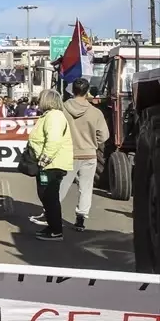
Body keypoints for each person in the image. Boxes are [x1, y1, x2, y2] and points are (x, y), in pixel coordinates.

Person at [38, 78, 107, 232]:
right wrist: (92, 141)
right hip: (89, 154)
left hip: (67, 153)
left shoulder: (62, 109)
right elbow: (104, 136)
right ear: (87, 91)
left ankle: (49, 213)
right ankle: (81, 218)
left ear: (72, 90)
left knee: (60, 186)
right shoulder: (96, 112)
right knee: (86, 187)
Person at [27, 89, 74, 240]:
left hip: (51, 164)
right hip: (50, 163)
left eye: (40, 98)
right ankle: (52, 226)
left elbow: (53, 140)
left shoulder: (54, 116)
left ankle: (56, 230)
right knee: (46, 196)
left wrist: (43, 160)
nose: (38, 101)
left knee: (49, 196)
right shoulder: (50, 115)